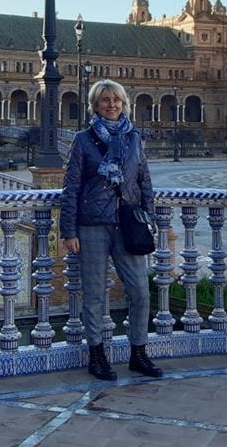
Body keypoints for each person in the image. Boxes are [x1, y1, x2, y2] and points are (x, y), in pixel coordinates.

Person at [60, 79, 162, 381]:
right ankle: (97, 355)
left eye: (116, 100)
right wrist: (69, 231)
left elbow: (144, 181)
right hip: (92, 226)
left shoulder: (134, 138)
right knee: (94, 293)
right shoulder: (83, 140)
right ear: (95, 105)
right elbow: (71, 187)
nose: (112, 105)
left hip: (128, 224)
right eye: (105, 100)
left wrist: (149, 218)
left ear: (124, 104)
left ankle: (138, 353)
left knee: (140, 291)